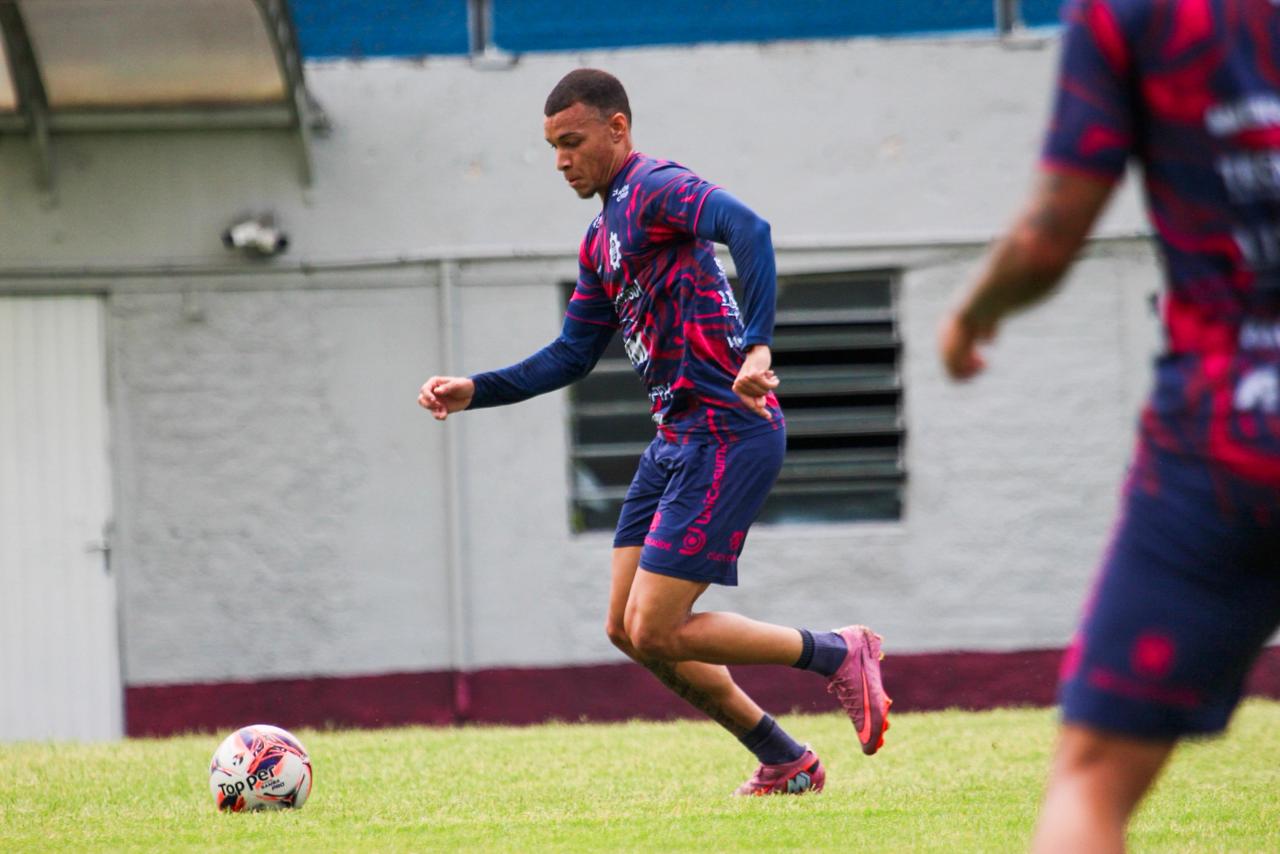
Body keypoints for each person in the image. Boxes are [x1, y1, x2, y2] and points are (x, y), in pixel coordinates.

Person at [418, 68, 891, 795]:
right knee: (626, 627)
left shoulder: (658, 187)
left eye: (572, 142)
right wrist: (474, 390)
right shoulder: (600, 238)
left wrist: (758, 347)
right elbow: (571, 356)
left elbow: (749, 228)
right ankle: (785, 757)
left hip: (730, 429)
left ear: (617, 128)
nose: (561, 160)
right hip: (676, 440)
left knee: (661, 627)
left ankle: (838, 652)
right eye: (552, 147)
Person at [939, 1, 1280, 849]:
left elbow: (1053, 233)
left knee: (1091, 778)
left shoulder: (1130, 12)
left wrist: (972, 315)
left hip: (1232, 434)